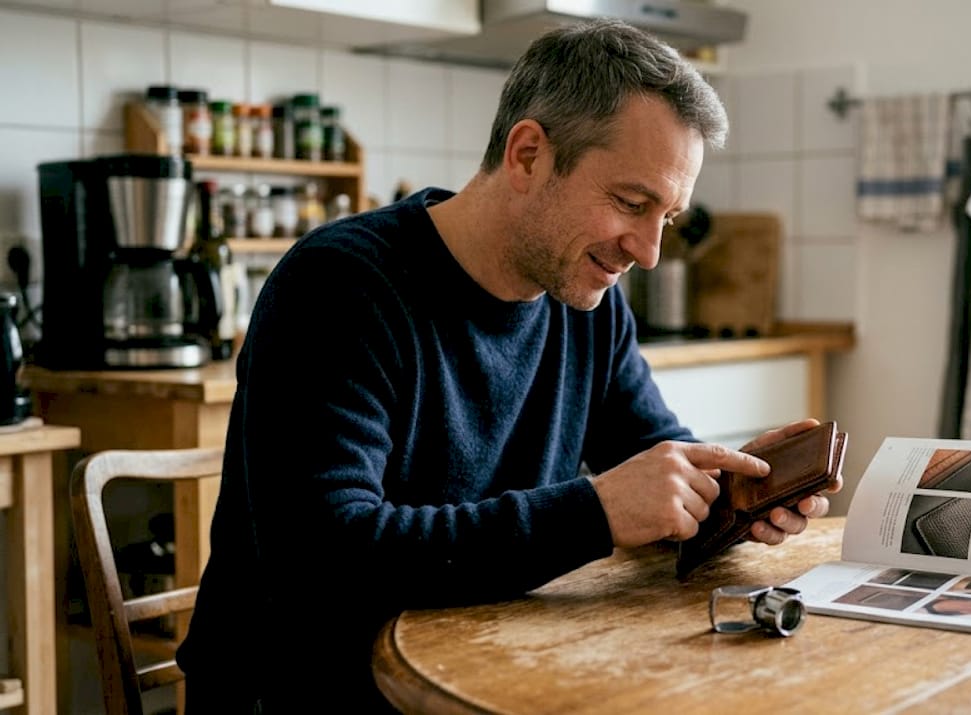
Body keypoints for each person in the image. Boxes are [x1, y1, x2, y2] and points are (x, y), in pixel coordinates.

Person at [177, 18, 841, 712]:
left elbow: (652, 469)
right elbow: (328, 559)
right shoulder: (340, 287)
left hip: (490, 667)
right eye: (631, 203)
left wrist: (733, 499)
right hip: (306, 692)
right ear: (528, 155)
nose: (647, 251)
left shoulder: (589, 305)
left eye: (667, 217)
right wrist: (592, 511)